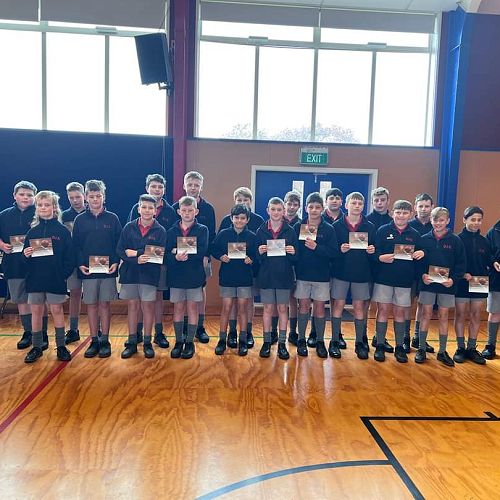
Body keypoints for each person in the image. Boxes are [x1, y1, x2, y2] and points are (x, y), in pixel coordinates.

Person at [22, 191, 74, 363]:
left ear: (54, 207)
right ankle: (37, 347)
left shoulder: (63, 232)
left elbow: (70, 258)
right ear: (36, 208)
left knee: (57, 310)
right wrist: (26, 255)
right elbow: (25, 259)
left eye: (47, 205)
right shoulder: (32, 232)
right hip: (35, 280)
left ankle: (61, 346)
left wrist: (63, 275)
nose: (43, 208)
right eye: (40, 205)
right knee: (36, 311)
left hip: (56, 280)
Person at [73, 180, 122, 359]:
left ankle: (105, 340)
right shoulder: (80, 220)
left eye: (98, 196)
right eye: (92, 196)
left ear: (104, 197)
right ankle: (94, 340)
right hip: (88, 271)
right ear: (86, 197)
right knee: (92, 305)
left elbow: (119, 243)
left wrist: (115, 262)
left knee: (105, 304)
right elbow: (76, 245)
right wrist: (80, 264)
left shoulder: (113, 218)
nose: (95, 199)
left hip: (108, 271)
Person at [372, 200, 424, 363]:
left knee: (400, 313)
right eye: (398, 212)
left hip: (404, 281)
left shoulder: (415, 234)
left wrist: (422, 253)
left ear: (410, 214)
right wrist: (380, 257)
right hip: (384, 279)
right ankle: (380, 344)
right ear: (392, 213)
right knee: (382, 310)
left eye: (404, 213)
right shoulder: (382, 230)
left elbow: (420, 255)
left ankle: (399, 346)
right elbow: (373, 251)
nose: (401, 216)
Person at [128, 174, 176, 348]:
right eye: (153, 186)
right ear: (147, 188)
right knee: (140, 299)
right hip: (139, 264)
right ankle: (137, 333)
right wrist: (137, 255)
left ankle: (158, 332)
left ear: (164, 189)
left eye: (160, 187)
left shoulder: (170, 211)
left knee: (157, 297)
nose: (157, 189)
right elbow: (130, 234)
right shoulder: (136, 208)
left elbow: (171, 237)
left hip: (160, 262)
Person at [416, 207, 466, 366]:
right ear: (431, 220)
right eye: (435, 220)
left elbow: (461, 264)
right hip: (428, 285)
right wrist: (422, 275)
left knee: (444, 316)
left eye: (441, 220)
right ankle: (421, 348)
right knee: (426, 314)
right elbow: (418, 263)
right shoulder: (423, 239)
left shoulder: (455, 241)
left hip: (447, 286)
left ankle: (442, 351)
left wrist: (453, 279)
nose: (438, 223)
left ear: (448, 221)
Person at [118, 194, 167, 359]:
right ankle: (132, 342)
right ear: (138, 209)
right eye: (144, 207)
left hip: (149, 274)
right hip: (130, 273)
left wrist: (136, 253)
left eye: (150, 208)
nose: (147, 210)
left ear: (155, 210)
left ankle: (147, 342)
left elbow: (158, 254)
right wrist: (137, 257)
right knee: (133, 307)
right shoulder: (128, 228)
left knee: (148, 307)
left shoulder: (160, 231)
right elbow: (120, 250)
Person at [331, 192, 376, 360]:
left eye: (360, 203)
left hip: (361, 273)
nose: (357, 206)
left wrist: (372, 251)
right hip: (340, 272)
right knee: (338, 305)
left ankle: (359, 342)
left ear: (363, 206)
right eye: (353, 203)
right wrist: (339, 250)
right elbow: (331, 250)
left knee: (359, 307)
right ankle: (334, 341)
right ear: (346, 205)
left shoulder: (370, 227)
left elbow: (375, 250)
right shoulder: (336, 226)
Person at [218, 187, 264, 348]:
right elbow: (217, 246)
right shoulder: (226, 224)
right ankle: (231, 333)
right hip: (229, 272)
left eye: (246, 200)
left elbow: (259, 248)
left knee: (247, 302)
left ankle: (247, 333)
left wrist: (253, 259)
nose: (243, 203)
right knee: (229, 304)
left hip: (249, 271)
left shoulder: (258, 221)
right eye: (239, 200)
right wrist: (221, 256)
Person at [173, 171, 216, 344]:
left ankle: (200, 326)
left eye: (196, 185)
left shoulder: (208, 208)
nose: (193, 187)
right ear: (184, 186)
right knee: (182, 297)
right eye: (190, 184)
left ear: (201, 187)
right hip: (180, 260)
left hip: (201, 258)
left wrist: (206, 255)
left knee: (200, 291)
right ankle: (185, 326)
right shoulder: (176, 207)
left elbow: (212, 235)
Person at [294, 192, 338, 358]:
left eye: (317, 207)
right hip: (302, 275)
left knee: (319, 308)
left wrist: (316, 247)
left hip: (321, 276)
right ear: (306, 208)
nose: (314, 210)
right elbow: (294, 251)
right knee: (303, 307)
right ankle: (301, 340)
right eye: (311, 207)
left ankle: (320, 341)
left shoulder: (329, 229)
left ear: (322, 208)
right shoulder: (297, 227)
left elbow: (333, 252)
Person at [166, 196, 209, 359]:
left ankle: (189, 342)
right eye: (184, 210)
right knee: (178, 308)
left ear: (196, 211)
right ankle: (179, 341)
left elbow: (201, 250)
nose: (187, 213)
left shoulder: (202, 230)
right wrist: (175, 256)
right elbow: (166, 253)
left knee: (192, 308)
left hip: (194, 275)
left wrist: (178, 251)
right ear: (179, 211)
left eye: (190, 210)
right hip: (176, 275)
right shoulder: (171, 231)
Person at [211, 204, 257, 356]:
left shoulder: (252, 236)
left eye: (242, 218)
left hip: (244, 277)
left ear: (247, 220)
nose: (239, 221)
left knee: (243, 308)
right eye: (236, 218)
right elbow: (213, 248)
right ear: (231, 218)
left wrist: (251, 259)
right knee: (226, 308)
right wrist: (220, 256)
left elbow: (257, 254)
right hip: (227, 276)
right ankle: (222, 340)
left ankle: (242, 340)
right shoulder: (223, 234)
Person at [256, 197, 298, 360]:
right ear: (268, 210)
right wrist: (259, 252)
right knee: (267, 309)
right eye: (273, 209)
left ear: (284, 211)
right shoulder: (261, 230)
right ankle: (266, 342)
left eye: (279, 209)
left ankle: (282, 343)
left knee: (282, 309)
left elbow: (296, 257)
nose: (276, 212)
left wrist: (293, 252)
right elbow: (256, 257)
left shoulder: (290, 231)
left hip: (283, 276)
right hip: (266, 276)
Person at [0, 181, 39, 350]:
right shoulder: (3, 215)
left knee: (38, 300)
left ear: (34, 197)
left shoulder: (41, 214)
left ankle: (40, 333)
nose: (25, 197)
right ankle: (28, 332)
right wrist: (2, 245)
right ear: (14, 196)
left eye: (29, 195)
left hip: (37, 265)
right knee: (21, 300)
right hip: (14, 264)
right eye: (22, 194)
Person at [453, 206, 490, 365]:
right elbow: (452, 261)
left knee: (476, 315)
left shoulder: (485, 241)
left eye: (479, 220)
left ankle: (472, 348)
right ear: (464, 220)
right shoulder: (457, 239)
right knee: (460, 315)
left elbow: (489, 261)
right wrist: (462, 274)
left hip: (479, 282)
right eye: (472, 219)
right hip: (462, 282)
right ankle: (460, 348)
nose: (476, 222)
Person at [407, 193, 435, 353]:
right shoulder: (408, 225)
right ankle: (405, 337)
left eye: (427, 206)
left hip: (428, 274)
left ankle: (418, 337)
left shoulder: (436, 226)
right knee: (406, 305)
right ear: (415, 207)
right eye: (421, 206)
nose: (424, 209)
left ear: (432, 207)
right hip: (410, 272)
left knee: (424, 306)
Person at [62, 182, 86, 344]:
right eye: (71, 198)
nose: (75, 200)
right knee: (75, 294)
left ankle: (98, 329)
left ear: (84, 196)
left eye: (78, 197)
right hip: (71, 260)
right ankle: (73, 329)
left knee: (95, 297)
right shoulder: (63, 216)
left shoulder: (92, 213)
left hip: (90, 260)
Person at [283, 190, 301, 346]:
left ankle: (293, 332)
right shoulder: (276, 220)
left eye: (295, 204)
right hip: (277, 265)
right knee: (278, 301)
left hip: (295, 266)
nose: (292, 207)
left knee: (293, 299)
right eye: (289, 204)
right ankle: (275, 331)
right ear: (284, 204)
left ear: (299, 206)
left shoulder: (302, 225)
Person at [482, 219, 500, 360]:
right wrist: (493, 261)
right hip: (496, 279)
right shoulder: (493, 232)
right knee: (495, 312)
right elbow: (486, 254)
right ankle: (490, 345)